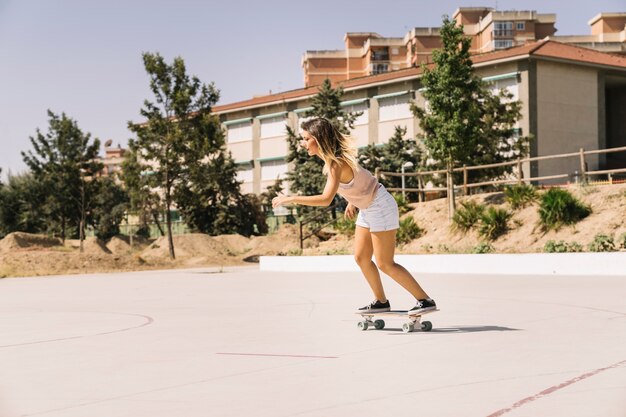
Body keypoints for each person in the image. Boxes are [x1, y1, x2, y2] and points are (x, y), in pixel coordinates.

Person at [272, 117, 436, 314]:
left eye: (306, 139)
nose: (302, 143)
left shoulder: (335, 163)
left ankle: (424, 300)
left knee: (385, 263)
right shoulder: (332, 161)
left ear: (318, 139)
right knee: (361, 257)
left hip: (380, 206)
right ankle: (381, 301)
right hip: (367, 207)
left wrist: (291, 199)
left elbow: (326, 199)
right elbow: (360, 179)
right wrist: (353, 200)